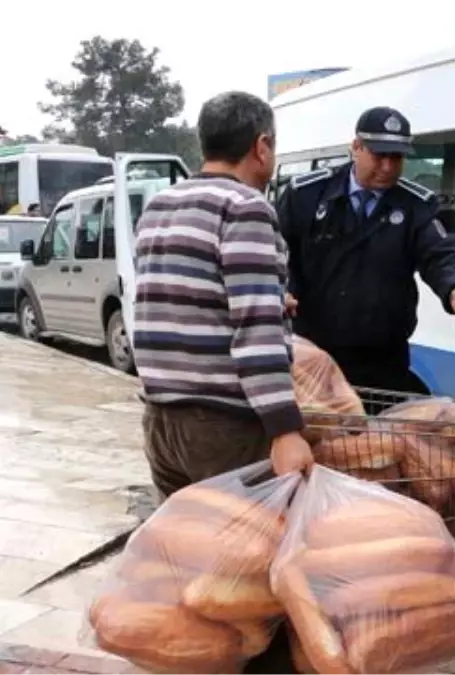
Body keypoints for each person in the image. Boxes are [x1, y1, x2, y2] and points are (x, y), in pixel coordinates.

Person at [131, 90, 313, 674]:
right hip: (224, 428)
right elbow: (256, 330)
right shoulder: (247, 207)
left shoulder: (161, 204)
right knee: (253, 591)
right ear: (261, 146)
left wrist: (265, 298)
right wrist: (285, 429)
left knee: (196, 576)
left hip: (162, 418)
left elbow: (177, 300)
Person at [274, 106, 455, 393]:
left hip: (382, 360)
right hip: (314, 353)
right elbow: (276, 251)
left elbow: (440, 252)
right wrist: (278, 289)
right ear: (356, 147)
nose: (387, 167)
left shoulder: (415, 205)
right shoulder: (306, 195)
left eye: (396, 157)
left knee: (376, 437)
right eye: (379, 155)